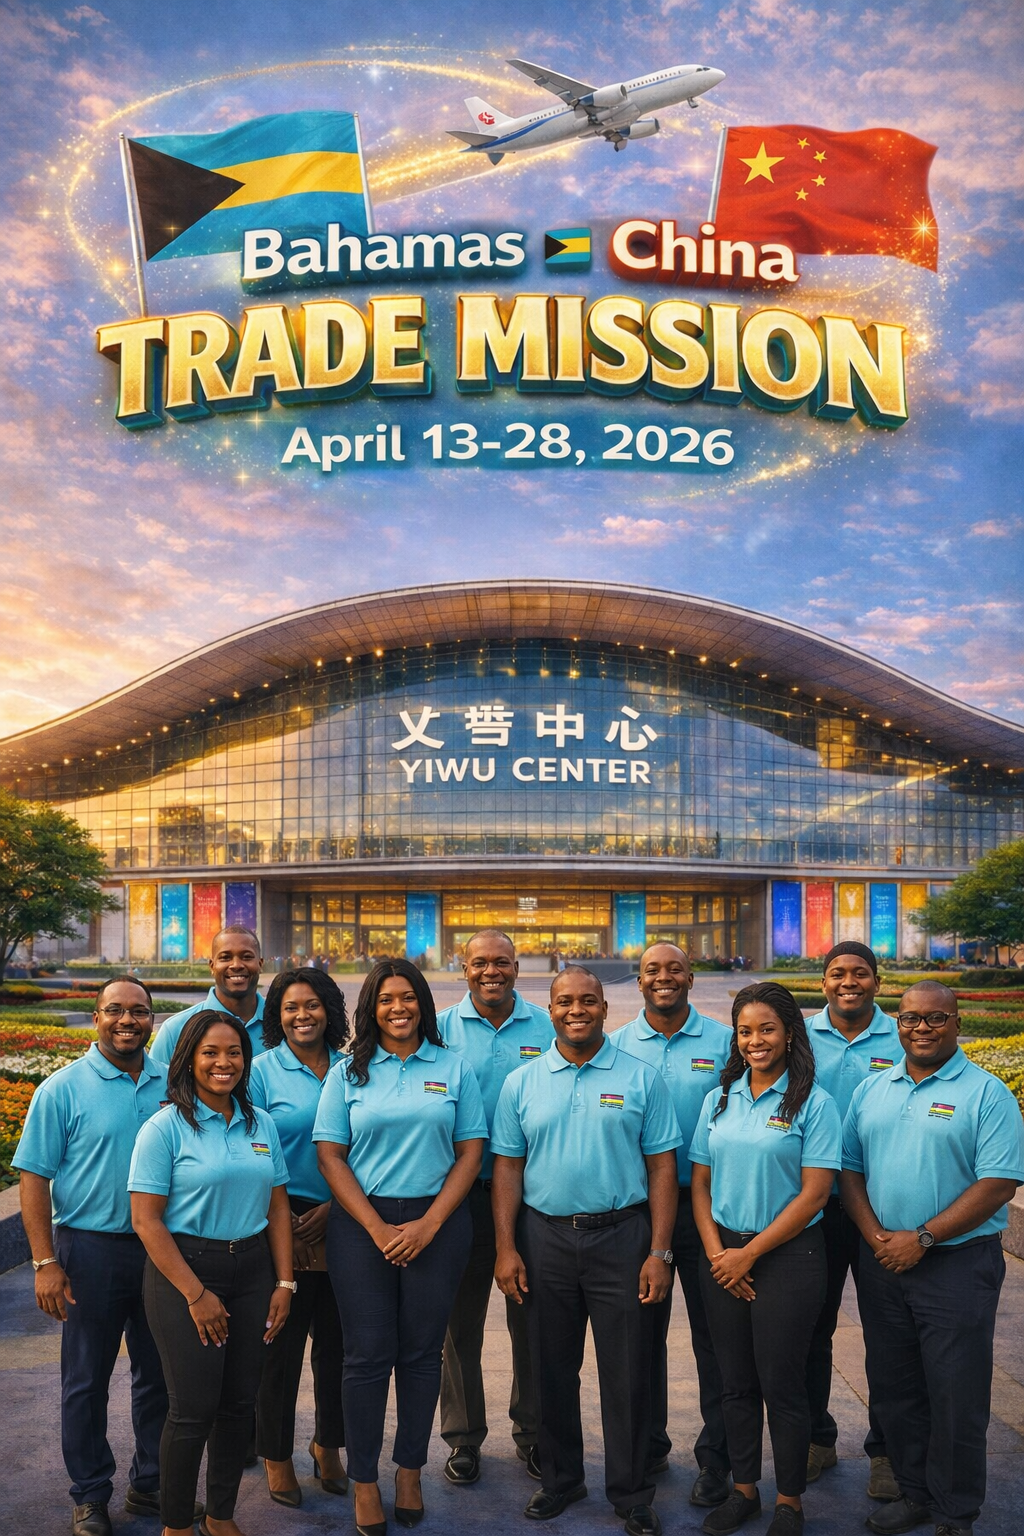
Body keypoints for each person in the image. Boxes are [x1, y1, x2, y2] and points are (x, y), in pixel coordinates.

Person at [491, 966, 683, 1536]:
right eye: (565, 1001)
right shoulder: (522, 1082)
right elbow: (507, 1166)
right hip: (543, 1236)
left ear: (605, 1008)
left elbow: (662, 1166)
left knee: (628, 1371)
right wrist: (506, 1247)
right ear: (549, 1009)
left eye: (589, 1001)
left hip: (623, 1237)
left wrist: (660, 1251)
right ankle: (560, 1480)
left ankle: (630, 1491)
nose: (577, 1010)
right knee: (549, 1368)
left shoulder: (641, 1077)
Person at [840, 981, 1024, 1536]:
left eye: (935, 1018)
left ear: (957, 1020)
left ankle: (954, 1511)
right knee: (895, 1386)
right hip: (883, 1262)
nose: (922, 1028)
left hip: (957, 1265)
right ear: (897, 1023)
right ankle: (915, 1493)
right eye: (911, 1019)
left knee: (956, 1392)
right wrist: (876, 1236)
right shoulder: (872, 1089)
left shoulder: (987, 1093)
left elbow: (998, 1184)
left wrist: (921, 1238)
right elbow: (849, 1169)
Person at [314, 958, 487, 1535]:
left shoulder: (453, 1067)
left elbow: (470, 1153)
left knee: (421, 1355)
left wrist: (431, 1223)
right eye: (386, 998)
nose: (398, 1007)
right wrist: (376, 1229)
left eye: (408, 997)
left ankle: (409, 1470)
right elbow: (331, 1157)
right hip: (363, 1229)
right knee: (366, 1358)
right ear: (371, 1008)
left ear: (423, 1005)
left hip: (437, 1225)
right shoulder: (347, 1072)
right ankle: (365, 1481)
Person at [128, 1010, 295, 1536]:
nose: (224, 1063)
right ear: (188, 1060)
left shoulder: (259, 1122)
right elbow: (145, 1221)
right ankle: (176, 1524)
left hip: (252, 1269)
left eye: (234, 1053)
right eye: (211, 1052)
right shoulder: (164, 1127)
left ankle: (220, 1516)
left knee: (238, 1404)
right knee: (193, 1409)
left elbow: (278, 1205)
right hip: (185, 1271)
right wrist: (196, 1294)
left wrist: (285, 1283)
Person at [15, 977, 170, 1536]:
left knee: (160, 1376)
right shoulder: (61, 1089)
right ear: (96, 1015)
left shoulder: (172, 1085)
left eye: (138, 1011)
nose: (127, 1021)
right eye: (114, 1011)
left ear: (151, 1019)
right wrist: (44, 1262)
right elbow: (34, 1178)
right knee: (86, 1379)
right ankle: (90, 1495)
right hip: (90, 1251)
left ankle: (151, 1484)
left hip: (163, 1253)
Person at [689, 981, 842, 1536]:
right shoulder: (720, 1098)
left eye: (767, 1029)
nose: (755, 1041)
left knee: (783, 1383)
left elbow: (815, 1194)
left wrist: (748, 1254)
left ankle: (790, 1502)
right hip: (723, 1253)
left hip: (789, 1257)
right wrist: (717, 1253)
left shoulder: (814, 1103)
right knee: (735, 1382)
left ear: (789, 1034)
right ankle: (745, 1490)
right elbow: (699, 1185)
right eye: (745, 1031)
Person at [612, 943, 733, 1506]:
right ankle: (650, 1443)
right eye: (652, 971)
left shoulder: (724, 1042)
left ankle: (717, 1457)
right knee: (642, 1338)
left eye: (674, 969)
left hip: (710, 1211)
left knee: (717, 1338)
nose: (664, 978)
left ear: (691, 976)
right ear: (638, 981)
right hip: (642, 1215)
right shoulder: (617, 1045)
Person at [435, 928, 554, 1486]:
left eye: (502, 962)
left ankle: (532, 1434)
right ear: (464, 967)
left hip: (529, 1200)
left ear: (516, 966)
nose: (492, 972)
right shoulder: (440, 1029)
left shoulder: (546, 1025)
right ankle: (462, 1439)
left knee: (530, 1321)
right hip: (457, 1200)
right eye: (480, 962)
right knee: (461, 1328)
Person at [803, 941, 902, 1499]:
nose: (848, 982)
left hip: (878, 1210)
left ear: (876, 981)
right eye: (837, 973)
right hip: (811, 1210)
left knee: (887, 1335)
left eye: (859, 974)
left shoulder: (902, 1034)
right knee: (811, 1330)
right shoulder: (799, 1036)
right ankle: (817, 1439)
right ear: (823, 982)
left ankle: (886, 1451)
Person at [250, 967, 349, 1506]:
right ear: (277, 1015)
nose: (301, 1016)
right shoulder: (262, 1071)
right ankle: (277, 1454)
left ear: (329, 1010)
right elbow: (253, 1145)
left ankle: (328, 1445)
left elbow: (368, 1144)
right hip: (279, 1219)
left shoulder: (354, 1068)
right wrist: (280, 1217)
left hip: (345, 1217)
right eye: (290, 1007)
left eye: (311, 1005)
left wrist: (338, 1207)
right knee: (279, 1349)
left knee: (337, 1347)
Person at [149, 926, 266, 1068]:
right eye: (225, 957)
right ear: (212, 966)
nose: (236, 965)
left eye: (247, 957)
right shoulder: (175, 1030)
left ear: (260, 964)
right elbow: (156, 1088)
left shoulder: (285, 1025)